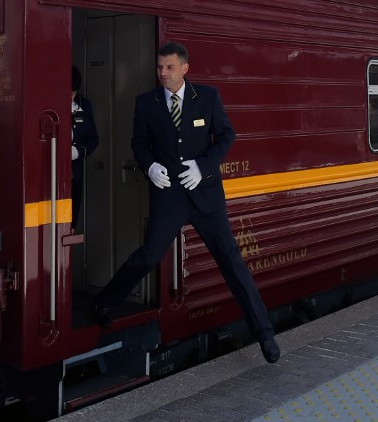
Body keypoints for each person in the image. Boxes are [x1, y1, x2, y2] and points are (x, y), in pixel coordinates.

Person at [92, 42, 280, 364]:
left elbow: (226, 136)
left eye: (169, 67)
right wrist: (150, 167)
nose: (162, 73)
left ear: (184, 68)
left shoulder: (207, 97)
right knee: (148, 255)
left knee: (231, 261)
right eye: (159, 67)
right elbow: (139, 143)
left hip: (205, 194)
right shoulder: (146, 103)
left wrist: (202, 167)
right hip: (170, 197)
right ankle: (104, 303)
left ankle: (265, 334)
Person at [72, 66, 99, 230]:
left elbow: (93, 139)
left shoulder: (84, 105)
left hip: (74, 174)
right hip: (51, 175)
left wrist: (79, 152)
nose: (70, 96)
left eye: (73, 93)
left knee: (71, 221)